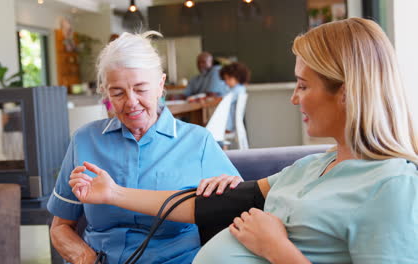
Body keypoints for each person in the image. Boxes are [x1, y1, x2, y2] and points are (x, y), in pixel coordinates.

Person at [69, 18, 418, 263]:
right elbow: (208, 205)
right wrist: (113, 193)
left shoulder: (391, 186)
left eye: (303, 85)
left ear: (346, 92)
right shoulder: (315, 167)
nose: (294, 99)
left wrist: (277, 249)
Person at [47, 31, 240, 264]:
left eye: (140, 89)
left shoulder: (197, 142)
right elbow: (60, 226)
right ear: (106, 93)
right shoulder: (85, 140)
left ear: (160, 85)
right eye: (117, 92)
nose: (131, 102)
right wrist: (85, 257)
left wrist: (231, 191)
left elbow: (241, 209)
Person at [219, 62, 251, 132]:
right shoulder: (239, 88)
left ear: (238, 77)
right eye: (225, 79)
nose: (226, 82)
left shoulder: (237, 90)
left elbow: (223, 100)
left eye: (229, 79)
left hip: (229, 125)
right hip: (231, 123)